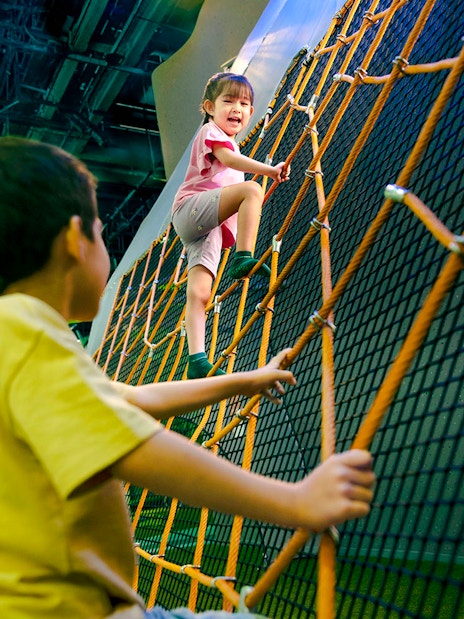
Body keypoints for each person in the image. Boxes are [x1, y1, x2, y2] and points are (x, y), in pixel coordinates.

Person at [0, 136, 375, 619]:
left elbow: (133, 399)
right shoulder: (21, 327)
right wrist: (296, 502)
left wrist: (245, 380)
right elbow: (136, 446)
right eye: (100, 231)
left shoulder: (20, 347)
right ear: (75, 240)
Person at [171, 72, 290, 379]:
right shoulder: (211, 133)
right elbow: (229, 159)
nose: (237, 108)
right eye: (228, 101)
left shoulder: (229, 143)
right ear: (210, 107)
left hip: (205, 225)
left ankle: (196, 359)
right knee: (253, 189)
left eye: (244, 103)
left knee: (200, 294)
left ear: (251, 113)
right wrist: (270, 170)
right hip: (192, 209)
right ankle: (243, 257)